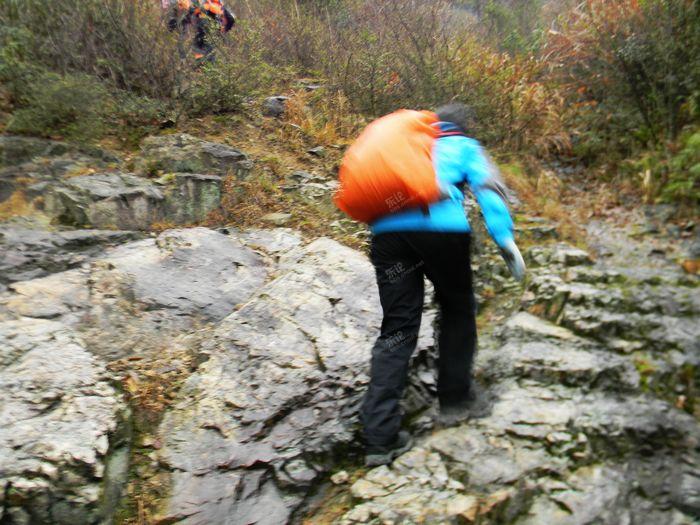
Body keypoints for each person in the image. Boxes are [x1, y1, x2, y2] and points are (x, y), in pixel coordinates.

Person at [360, 102, 525, 467]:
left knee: (398, 328)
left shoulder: (409, 147)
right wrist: (505, 239)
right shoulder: (464, 146)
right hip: (442, 235)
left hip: (388, 238)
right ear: (463, 127)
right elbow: (488, 190)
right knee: (457, 310)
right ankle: (455, 398)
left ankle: (379, 438)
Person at [167, 0, 235, 61]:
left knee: (202, 45)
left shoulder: (216, 13)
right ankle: (193, 60)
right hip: (198, 14)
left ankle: (197, 60)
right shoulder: (215, 11)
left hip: (201, 16)